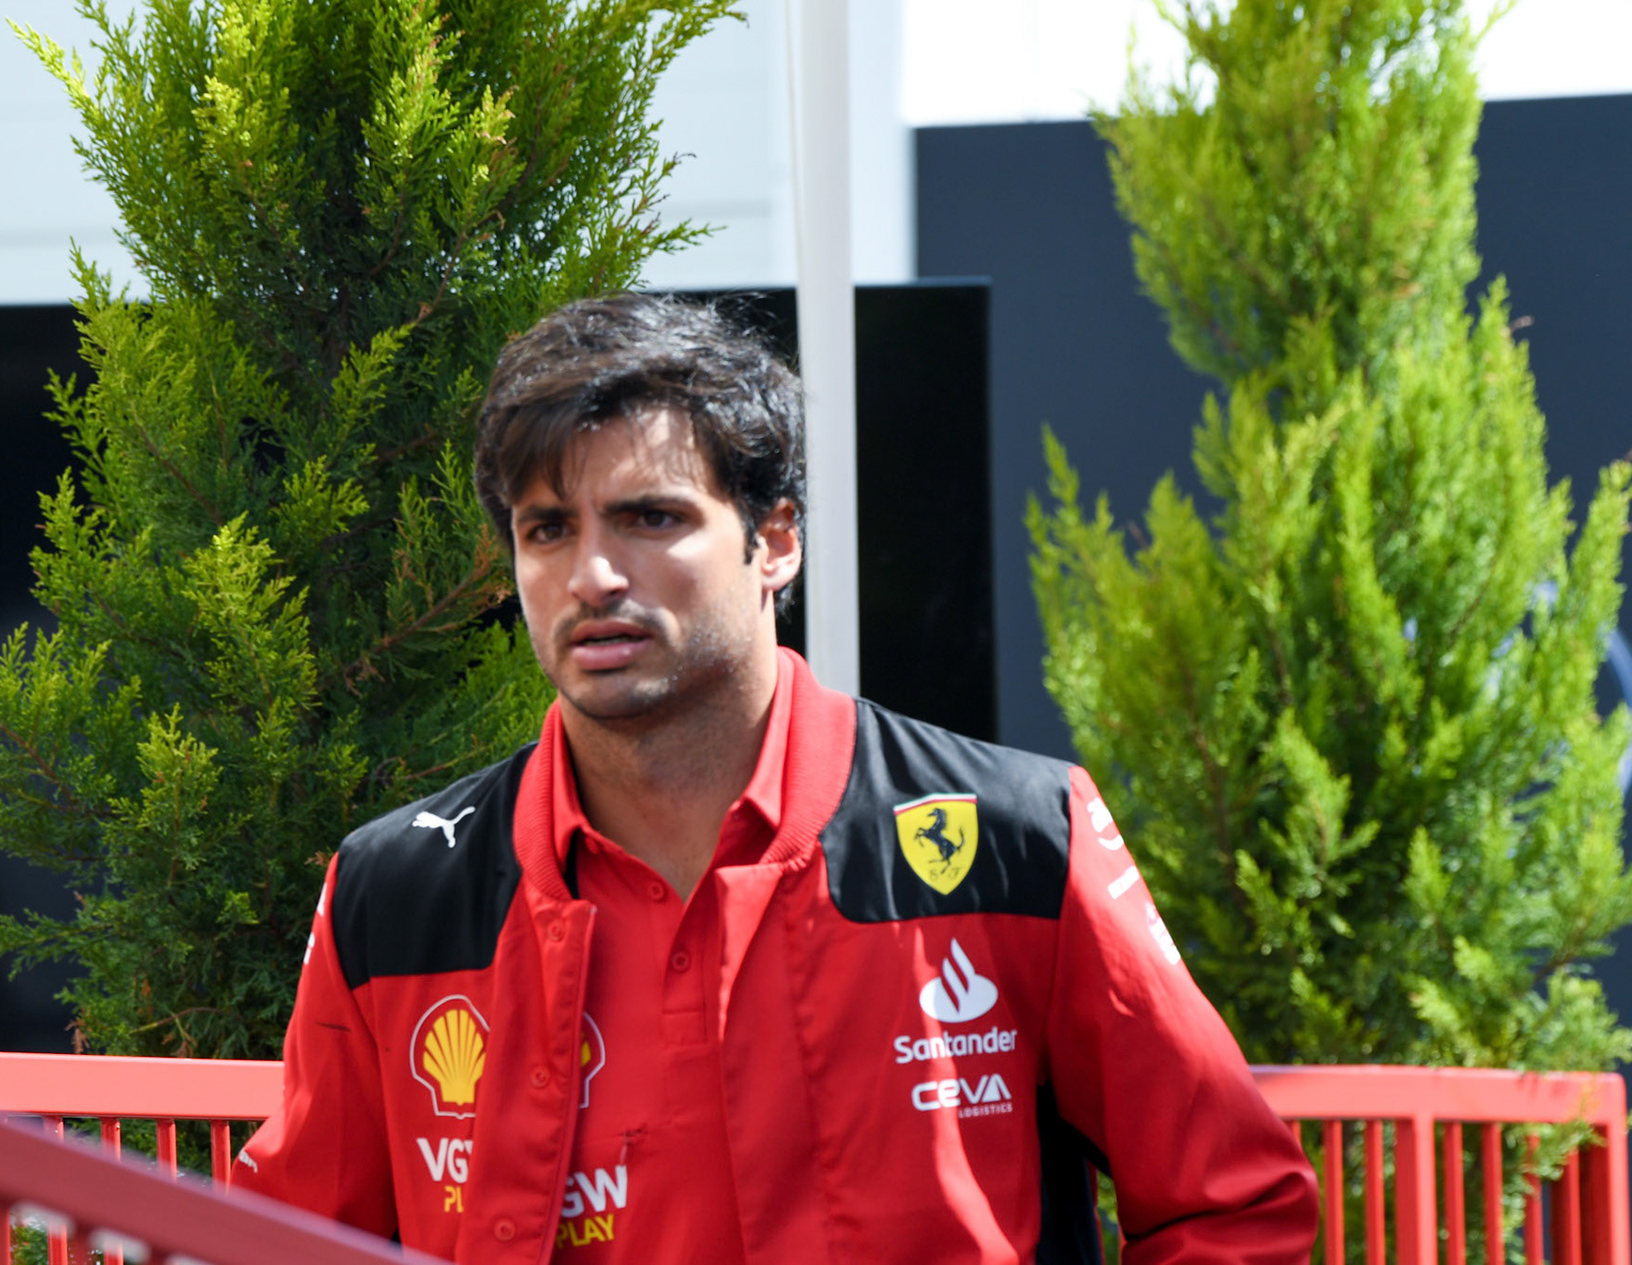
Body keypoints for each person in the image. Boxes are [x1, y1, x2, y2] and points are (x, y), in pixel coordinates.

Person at [234, 294, 1319, 1263]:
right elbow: (285, 1242)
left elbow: (1233, 1207)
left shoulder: (1016, 838)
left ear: (777, 540)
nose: (592, 575)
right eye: (547, 529)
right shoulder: (393, 893)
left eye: (652, 516)